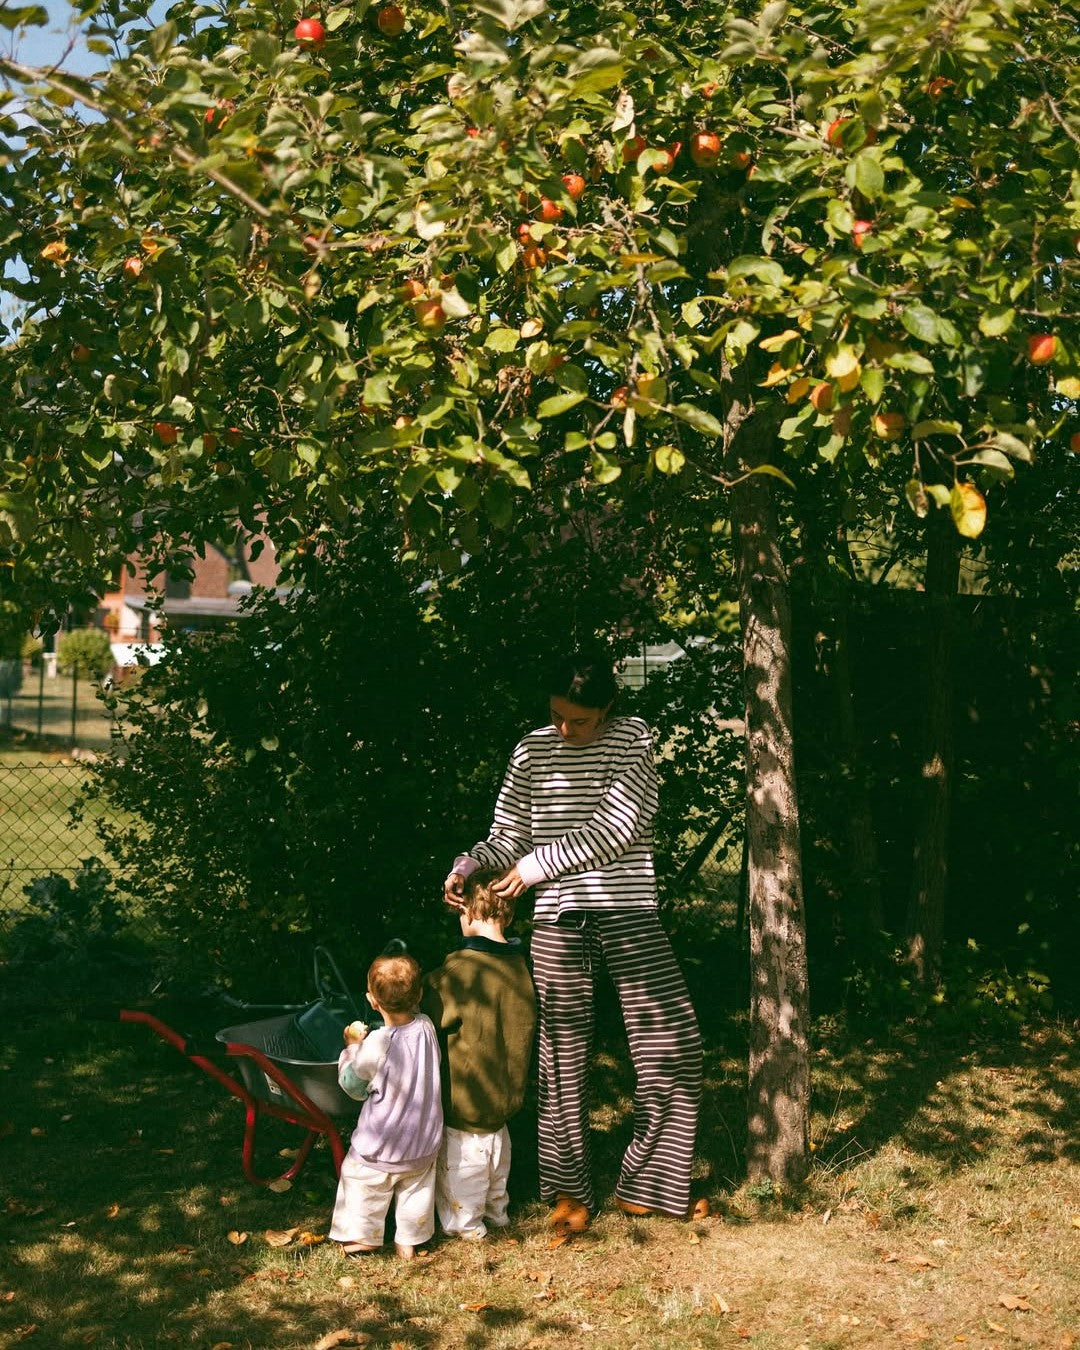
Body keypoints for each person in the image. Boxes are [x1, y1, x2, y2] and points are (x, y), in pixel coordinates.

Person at [444, 651, 702, 1229]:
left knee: (673, 1044)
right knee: (560, 1060)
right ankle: (569, 1194)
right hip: (559, 921)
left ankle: (650, 1186)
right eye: (558, 716)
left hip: (628, 909)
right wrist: (468, 865)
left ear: (607, 708)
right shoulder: (532, 750)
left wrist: (534, 870)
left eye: (580, 720)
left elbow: (619, 826)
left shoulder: (632, 739)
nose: (566, 730)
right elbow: (509, 834)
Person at [422, 866, 537, 1240]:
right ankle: (496, 1210)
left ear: (469, 912)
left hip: (466, 1097)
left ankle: (464, 1223)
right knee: (495, 1156)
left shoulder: (460, 970)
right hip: (506, 1093)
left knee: (463, 1163)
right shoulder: (519, 964)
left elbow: (430, 1012)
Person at [329, 952, 442, 1259]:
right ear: (418, 995)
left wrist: (351, 1048)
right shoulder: (427, 1028)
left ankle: (363, 1236)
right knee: (415, 1190)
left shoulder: (376, 1044)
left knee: (362, 1182)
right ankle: (409, 1238)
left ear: (371, 1000)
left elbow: (353, 1086)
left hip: (382, 1145)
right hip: (422, 1142)